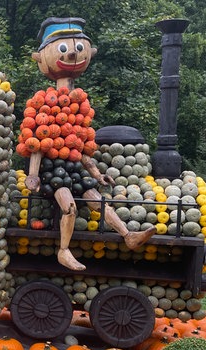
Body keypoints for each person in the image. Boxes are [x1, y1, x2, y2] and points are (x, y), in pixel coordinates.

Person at [26, 17, 155, 271]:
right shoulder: (44, 104)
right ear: (41, 58)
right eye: (64, 49)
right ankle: (64, 251)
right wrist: (33, 174)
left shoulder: (79, 109)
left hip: (73, 168)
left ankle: (128, 235)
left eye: (79, 48)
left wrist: (97, 174)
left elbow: (82, 149)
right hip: (52, 170)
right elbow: (37, 144)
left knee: (99, 201)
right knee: (70, 207)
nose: (72, 53)